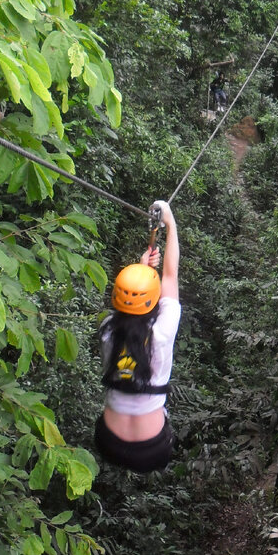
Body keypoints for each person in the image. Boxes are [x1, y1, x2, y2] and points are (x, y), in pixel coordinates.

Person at [94, 200, 181, 473]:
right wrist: (171, 223)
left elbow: (163, 281)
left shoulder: (109, 329)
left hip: (110, 441)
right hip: (147, 451)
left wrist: (143, 268)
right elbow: (169, 275)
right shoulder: (159, 332)